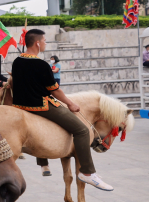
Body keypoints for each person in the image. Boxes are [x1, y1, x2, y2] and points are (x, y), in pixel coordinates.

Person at [12, 29, 112, 189]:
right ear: (37, 43)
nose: (45, 43)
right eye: (44, 40)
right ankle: (87, 172)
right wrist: (71, 103)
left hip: (19, 105)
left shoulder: (17, 61)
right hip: (40, 105)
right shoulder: (41, 64)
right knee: (82, 130)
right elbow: (55, 90)